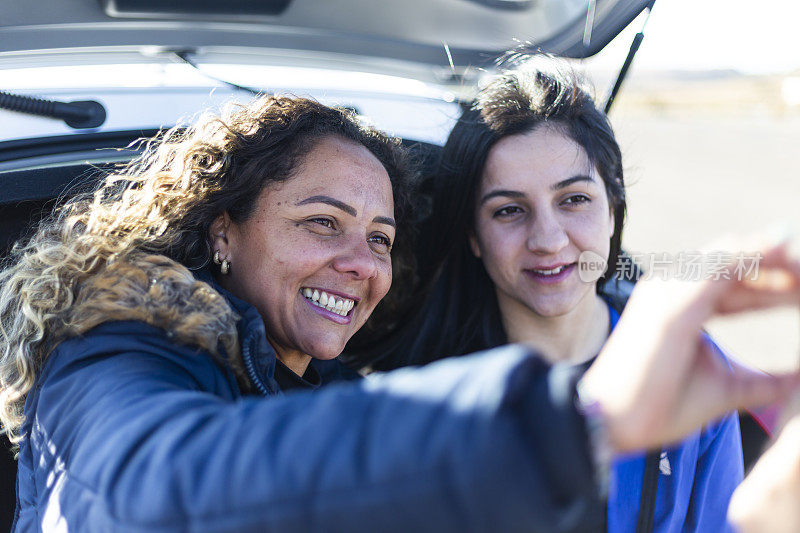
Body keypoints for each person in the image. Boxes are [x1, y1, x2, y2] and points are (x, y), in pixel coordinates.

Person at [0, 94, 796, 533]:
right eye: (321, 222)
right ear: (222, 228)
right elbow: (147, 491)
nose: (358, 262)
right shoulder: (111, 353)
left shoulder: (328, 383)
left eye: (379, 237)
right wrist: (583, 420)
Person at [351, 57, 745, 531]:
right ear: (473, 235)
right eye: (509, 210)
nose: (548, 239)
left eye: (574, 199)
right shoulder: (419, 402)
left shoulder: (694, 370)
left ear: (614, 209)